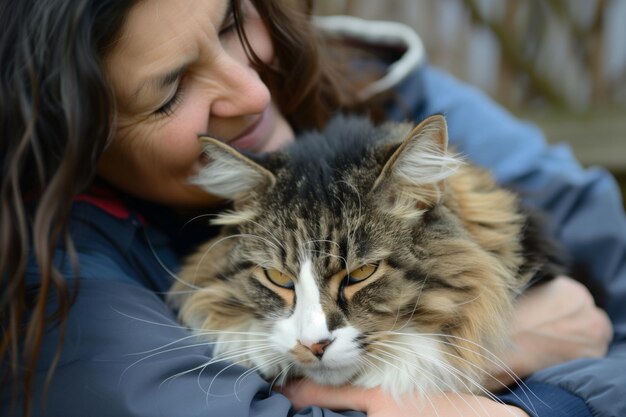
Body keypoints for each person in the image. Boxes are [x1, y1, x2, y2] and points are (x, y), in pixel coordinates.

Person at [0, 0, 622, 416]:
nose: (252, 92)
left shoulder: (394, 89)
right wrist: (528, 386)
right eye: (169, 91)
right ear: (76, 132)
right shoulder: (63, 285)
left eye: (227, 26)